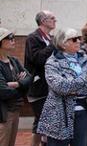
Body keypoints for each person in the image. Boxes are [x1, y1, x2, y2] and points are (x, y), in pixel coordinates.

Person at [37, 28, 87, 146]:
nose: (79, 41)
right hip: (59, 114)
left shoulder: (85, 58)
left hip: (83, 111)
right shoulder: (52, 62)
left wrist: (73, 88)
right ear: (62, 43)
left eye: (79, 38)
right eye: (74, 39)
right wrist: (85, 79)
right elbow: (60, 86)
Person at [24, 10, 57, 146]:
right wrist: (53, 45)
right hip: (38, 88)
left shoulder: (50, 38)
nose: (55, 20)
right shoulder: (33, 38)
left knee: (40, 123)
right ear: (43, 21)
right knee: (45, 121)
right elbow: (38, 59)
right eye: (52, 18)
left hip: (49, 86)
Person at [0, 28, 32, 146]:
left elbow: (29, 78)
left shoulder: (14, 61)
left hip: (15, 109)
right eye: (9, 38)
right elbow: (3, 91)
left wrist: (17, 84)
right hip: (3, 113)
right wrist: (22, 88)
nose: (13, 41)